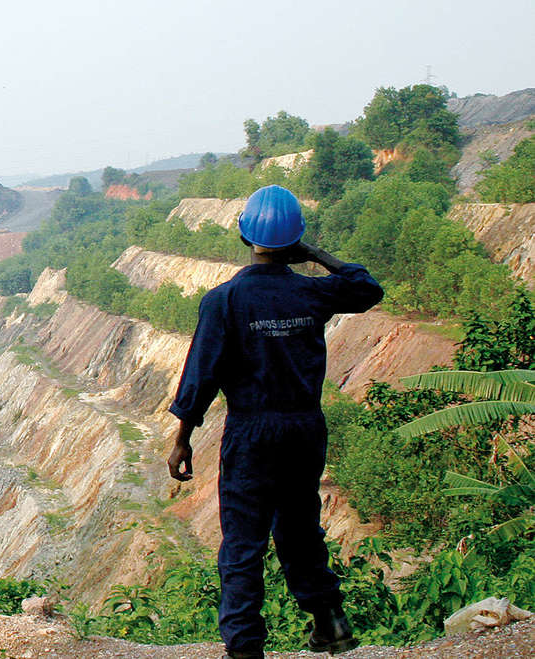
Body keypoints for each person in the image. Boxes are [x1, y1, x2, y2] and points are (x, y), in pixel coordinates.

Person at [165, 185, 383, 658]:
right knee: (301, 528)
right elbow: (366, 288)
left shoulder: (224, 301)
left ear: (246, 237)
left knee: (243, 542)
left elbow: (200, 376)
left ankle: (245, 648)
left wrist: (182, 439)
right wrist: (316, 254)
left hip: (252, 432)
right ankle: (330, 623)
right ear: (295, 242)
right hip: (304, 429)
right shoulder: (312, 291)